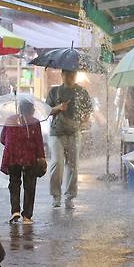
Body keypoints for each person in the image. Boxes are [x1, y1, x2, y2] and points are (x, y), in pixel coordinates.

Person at [46, 69, 93, 209]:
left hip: (74, 132)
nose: (69, 77)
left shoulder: (82, 92)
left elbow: (88, 110)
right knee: (57, 164)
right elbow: (46, 110)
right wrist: (59, 107)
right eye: (66, 74)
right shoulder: (54, 92)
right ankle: (56, 196)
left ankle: (70, 197)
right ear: (62, 75)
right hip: (57, 133)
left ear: (75, 75)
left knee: (73, 166)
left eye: (72, 74)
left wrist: (85, 119)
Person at [0, 98, 45, 225]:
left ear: (20, 108)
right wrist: (41, 157)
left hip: (12, 156)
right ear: (31, 110)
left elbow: (3, 139)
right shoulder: (35, 122)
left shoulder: (10, 120)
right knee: (29, 185)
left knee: (14, 183)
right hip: (29, 157)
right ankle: (27, 216)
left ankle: (15, 211)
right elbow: (39, 143)